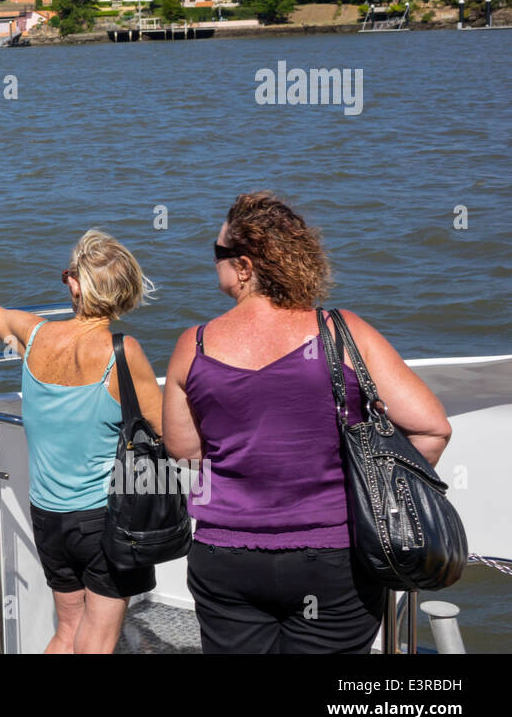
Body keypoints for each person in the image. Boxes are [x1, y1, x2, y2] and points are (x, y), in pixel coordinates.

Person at [161, 191, 453, 653]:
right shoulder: (342, 331)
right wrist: (377, 493)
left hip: (226, 557)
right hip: (334, 559)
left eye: (218, 252)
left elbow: (185, 452)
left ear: (244, 266)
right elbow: (432, 429)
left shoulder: (193, 345)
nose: (213, 263)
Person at [0, 231, 163, 653]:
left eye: (68, 275)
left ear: (77, 285)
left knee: (67, 631)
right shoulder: (123, 352)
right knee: (98, 639)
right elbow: (170, 433)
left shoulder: (33, 334)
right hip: (103, 519)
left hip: (48, 516)